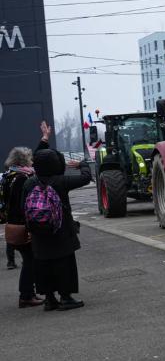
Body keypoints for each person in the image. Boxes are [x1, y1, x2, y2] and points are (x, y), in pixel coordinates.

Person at [23, 121, 92, 311]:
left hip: (38, 231)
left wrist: (44, 139)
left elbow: (23, 207)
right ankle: (66, 297)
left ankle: (49, 299)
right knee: (64, 263)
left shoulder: (30, 183)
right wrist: (82, 164)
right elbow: (86, 177)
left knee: (42, 264)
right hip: (61, 230)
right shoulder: (60, 181)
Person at [2, 144, 41, 307]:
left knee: (29, 260)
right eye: (30, 158)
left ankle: (29, 293)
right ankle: (26, 295)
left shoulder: (9, 176)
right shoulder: (22, 179)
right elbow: (23, 205)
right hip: (21, 225)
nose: (32, 161)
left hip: (12, 223)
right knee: (30, 261)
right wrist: (30, 226)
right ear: (23, 160)